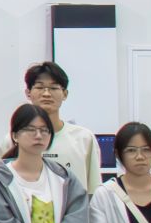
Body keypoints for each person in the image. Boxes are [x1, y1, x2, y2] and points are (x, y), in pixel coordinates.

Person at [27, 61, 103, 196]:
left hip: (74, 209)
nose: (46, 94)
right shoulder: (15, 140)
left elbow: (94, 191)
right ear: (28, 93)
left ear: (65, 94)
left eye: (53, 88)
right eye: (40, 87)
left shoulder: (84, 138)